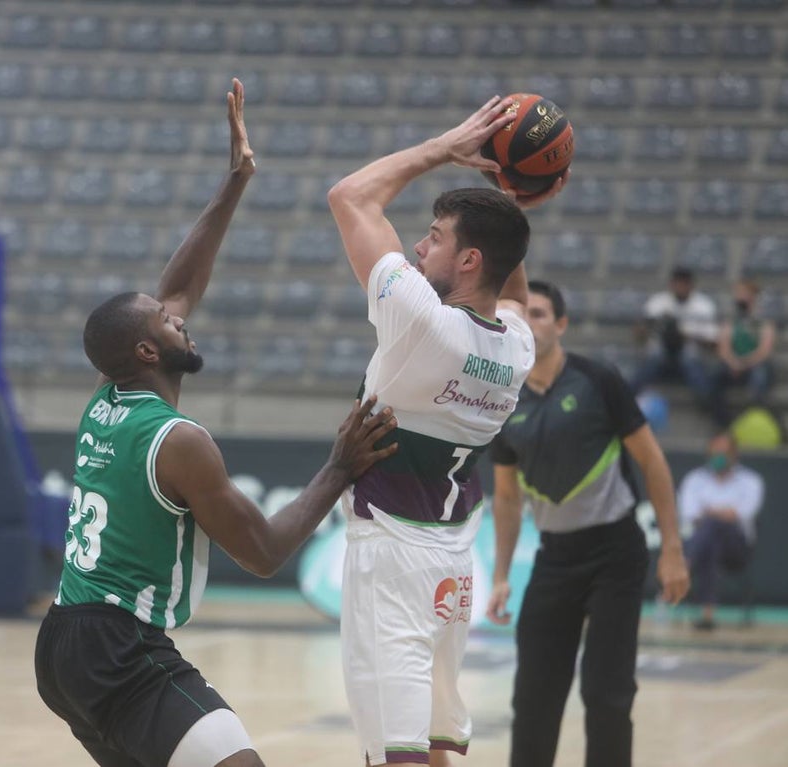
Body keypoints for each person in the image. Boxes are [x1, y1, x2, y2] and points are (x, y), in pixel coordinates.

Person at [33, 80, 399, 767]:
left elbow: (174, 288)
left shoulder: (106, 395)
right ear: (149, 351)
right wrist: (339, 467)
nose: (182, 317)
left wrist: (234, 182)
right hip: (121, 648)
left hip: (61, 644)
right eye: (171, 324)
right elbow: (262, 552)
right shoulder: (180, 442)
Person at [326, 96, 565, 767]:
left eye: (434, 235)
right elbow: (511, 288)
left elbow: (350, 196)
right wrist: (507, 200)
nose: (420, 243)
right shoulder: (515, 345)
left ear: (467, 263)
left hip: (392, 558)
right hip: (452, 564)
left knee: (396, 757)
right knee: (433, 752)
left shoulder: (420, 322)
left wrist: (451, 146)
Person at [485, 280, 691, 767]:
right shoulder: (502, 397)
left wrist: (673, 550)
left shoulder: (598, 380)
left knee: (607, 691)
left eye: (539, 314)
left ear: (561, 324)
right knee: (534, 694)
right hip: (554, 557)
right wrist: (499, 576)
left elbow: (653, 462)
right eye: (522, 315)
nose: (530, 324)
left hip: (615, 553)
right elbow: (507, 498)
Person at [678, 431, 764, 631]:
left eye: (724, 452)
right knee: (711, 541)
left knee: (714, 527)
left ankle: (686, 565)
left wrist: (711, 512)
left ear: (734, 454)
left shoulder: (751, 481)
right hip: (706, 544)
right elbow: (691, 516)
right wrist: (721, 512)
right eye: (715, 451)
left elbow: (741, 514)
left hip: (737, 548)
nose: (719, 456)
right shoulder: (695, 480)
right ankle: (707, 615)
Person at [631, 266, 718, 407]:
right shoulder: (659, 302)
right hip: (661, 354)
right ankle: (626, 399)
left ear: (691, 285)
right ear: (671, 284)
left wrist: (685, 336)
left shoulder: (703, 305)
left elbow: (713, 341)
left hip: (689, 354)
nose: (680, 287)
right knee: (652, 360)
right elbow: (639, 332)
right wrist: (650, 327)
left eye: (684, 284)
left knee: (692, 364)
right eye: (677, 283)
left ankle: (708, 403)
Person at [707, 279, 777, 428]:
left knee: (760, 376)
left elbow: (765, 350)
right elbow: (723, 347)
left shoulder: (763, 320)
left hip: (755, 364)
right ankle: (722, 422)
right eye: (738, 293)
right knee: (713, 376)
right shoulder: (731, 319)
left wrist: (745, 363)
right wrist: (733, 362)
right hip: (734, 363)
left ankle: (755, 417)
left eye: (744, 293)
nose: (740, 296)